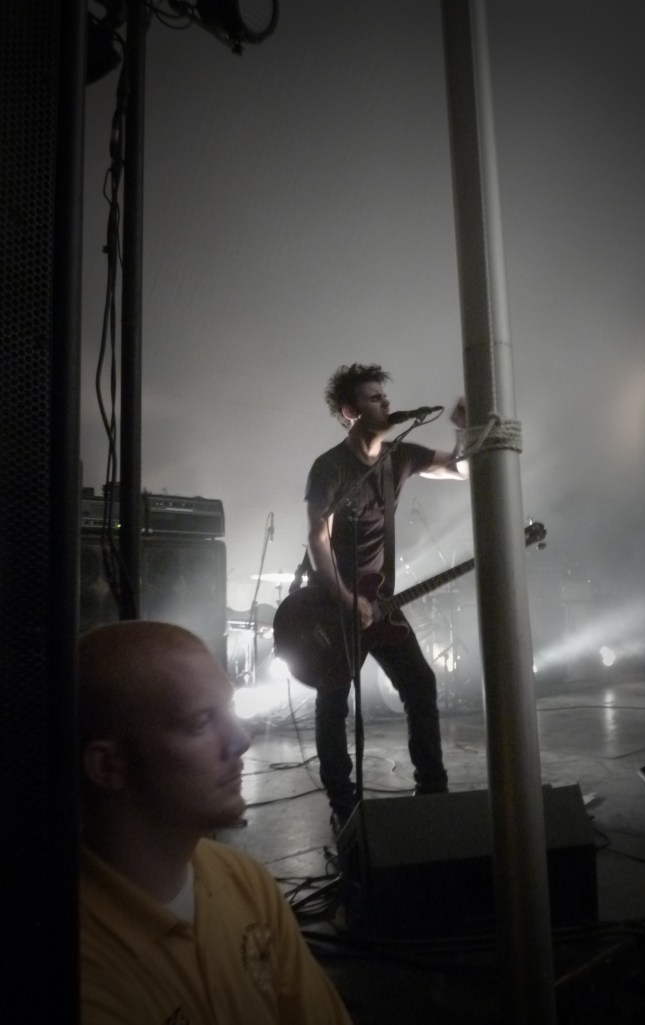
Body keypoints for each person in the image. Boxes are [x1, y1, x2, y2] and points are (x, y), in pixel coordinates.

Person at [78, 619, 353, 1025]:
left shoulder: (245, 881)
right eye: (200, 723)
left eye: (229, 710)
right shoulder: (83, 972)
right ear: (108, 765)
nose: (241, 739)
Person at [304, 363, 467, 833]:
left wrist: (464, 432)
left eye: (385, 396)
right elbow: (317, 540)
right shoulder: (330, 468)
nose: (387, 404)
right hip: (333, 604)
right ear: (351, 412)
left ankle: (433, 791)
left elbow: (462, 470)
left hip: (379, 603)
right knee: (333, 703)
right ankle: (344, 805)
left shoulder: (401, 456)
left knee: (420, 686)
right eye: (374, 398)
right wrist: (345, 597)